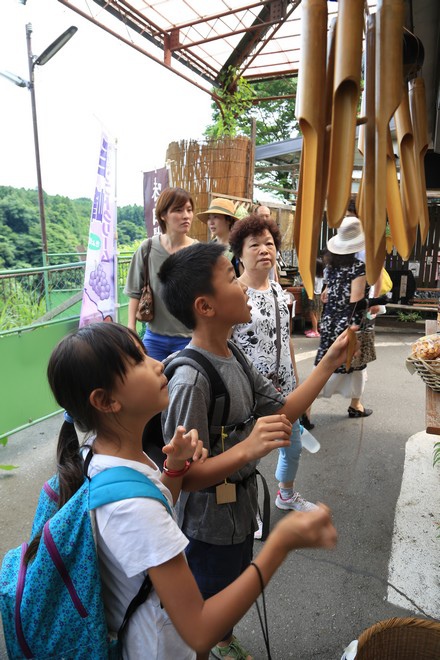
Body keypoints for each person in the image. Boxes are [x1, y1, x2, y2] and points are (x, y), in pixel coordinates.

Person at [46, 322, 337, 659]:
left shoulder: (100, 455)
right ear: (106, 401)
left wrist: (174, 469)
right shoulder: (134, 507)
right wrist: (281, 544)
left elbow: (159, 502)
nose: (157, 363)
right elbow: (199, 631)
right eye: (138, 361)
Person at [158, 242, 354, 660]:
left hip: (240, 510)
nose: (244, 288)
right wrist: (248, 448)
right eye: (231, 279)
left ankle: (223, 641)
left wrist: (329, 361)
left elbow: (284, 410)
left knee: (232, 584)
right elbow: (183, 477)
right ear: (205, 306)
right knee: (208, 602)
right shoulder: (191, 379)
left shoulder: (233, 354)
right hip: (207, 524)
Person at [229, 214, 316, 518]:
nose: (264, 249)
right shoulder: (234, 294)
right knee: (246, 456)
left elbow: (287, 340)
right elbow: (222, 347)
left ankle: (286, 494)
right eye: (254, 244)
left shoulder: (280, 292)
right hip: (249, 393)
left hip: (285, 390)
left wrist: (298, 385)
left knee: (292, 446)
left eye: (269, 243)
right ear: (239, 254)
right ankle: (244, 509)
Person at [314, 215, 387, 418]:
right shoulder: (358, 268)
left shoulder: (330, 266)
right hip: (348, 324)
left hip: (329, 321)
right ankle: (351, 406)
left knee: (325, 365)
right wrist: (377, 302)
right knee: (352, 365)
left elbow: (328, 294)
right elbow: (356, 302)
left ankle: (310, 409)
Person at [124, 187, 197, 361]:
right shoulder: (147, 248)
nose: (186, 215)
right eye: (178, 210)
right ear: (163, 215)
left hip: (190, 338)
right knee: (152, 385)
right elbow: (135, 292)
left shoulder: (197, 252)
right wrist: (131, 328)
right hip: (154, 338)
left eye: (189, 210)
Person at [197, 197, 240, 276]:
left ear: (229, 220)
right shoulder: (208, 247)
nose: (211, 222)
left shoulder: (238, 249)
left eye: (216, 217)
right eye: (209, 218)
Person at [304, 257, 324, 338]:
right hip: (318, 296)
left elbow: (308, 286)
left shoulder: (314, 278)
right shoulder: (321, 277)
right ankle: (314, 329)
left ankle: (315, 331)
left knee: (312, 314)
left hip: (313, 296)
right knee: (316, 313)